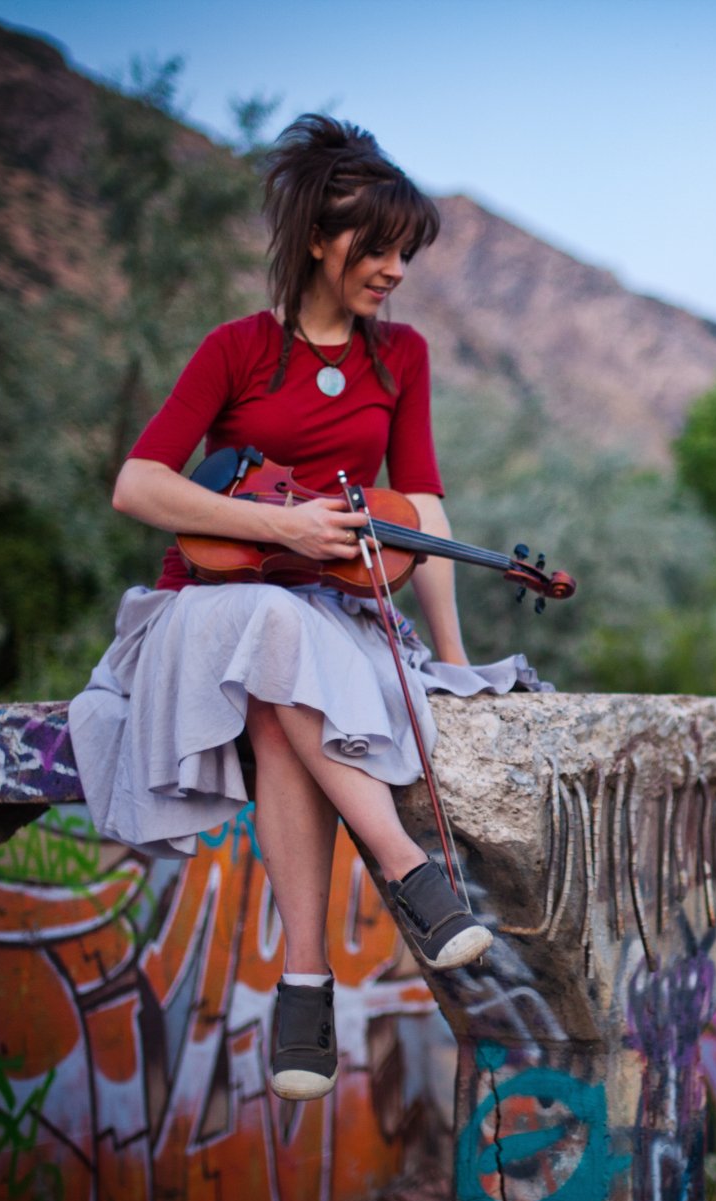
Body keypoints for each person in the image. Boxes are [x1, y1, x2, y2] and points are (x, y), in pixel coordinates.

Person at [70, 114, 542, 1103]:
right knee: (269, 631)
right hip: (202, 612)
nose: (395, 271)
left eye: (405, 252)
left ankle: (302, 981)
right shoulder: (237, 350)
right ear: (322, 240)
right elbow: (139, 485)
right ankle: (410, 870)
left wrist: (450, 658)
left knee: (285, 704)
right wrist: (281, 531)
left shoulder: (397, 358)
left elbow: (423, 512)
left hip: (324, 625)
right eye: (379, 248)